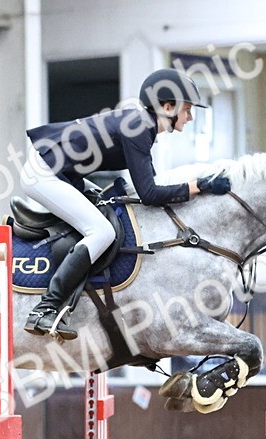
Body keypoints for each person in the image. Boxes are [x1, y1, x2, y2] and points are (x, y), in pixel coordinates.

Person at [19, 68, 232, 340]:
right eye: (187, 110)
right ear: (167, 107)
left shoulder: (141, 124)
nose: (190, 117)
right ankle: (46, 308)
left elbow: (145, 188)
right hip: (44, 174)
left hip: (64, 172)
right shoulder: (140, 127)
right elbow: (150, 194)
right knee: (102, 232)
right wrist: (199, 185)